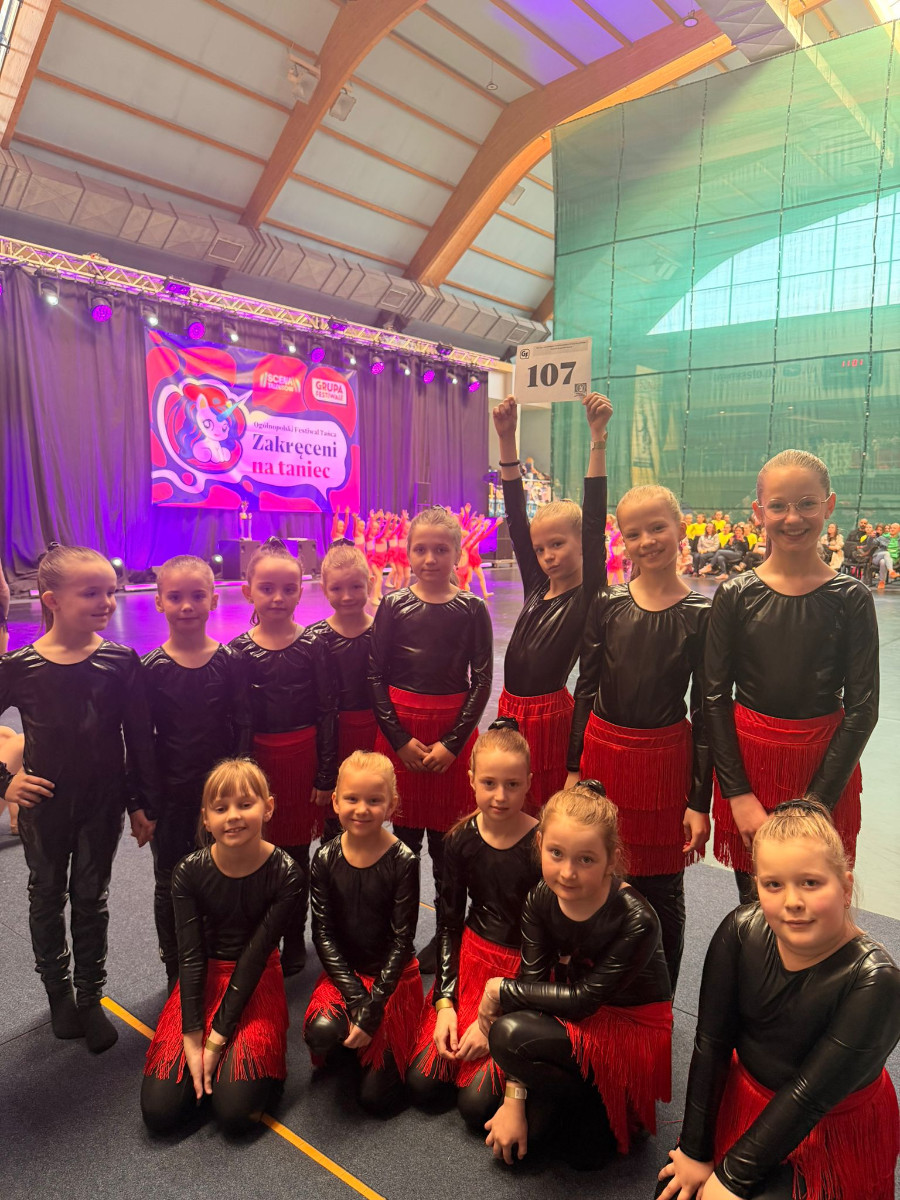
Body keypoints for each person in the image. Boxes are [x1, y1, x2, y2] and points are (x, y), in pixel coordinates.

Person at [657, 800, 900, 1200]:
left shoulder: (877, 981)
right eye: (774, 885)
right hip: (748, 1098)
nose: (792, 902)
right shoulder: (739, 931)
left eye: (811, 883)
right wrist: (694, 1151)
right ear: (756, 886)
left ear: (845, 887)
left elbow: (809, 1095)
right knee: (672, 1191)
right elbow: (711, 1044)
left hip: (825, 1126)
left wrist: (731, 1178)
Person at [0, 544, 159, 1051]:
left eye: (110, 591)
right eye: (91, 593)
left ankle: (90, 994)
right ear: (52, 600)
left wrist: (140, 802)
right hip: (44, 806)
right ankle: (58, 994)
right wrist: (4, 783)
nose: (106, 602)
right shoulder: (19, 667)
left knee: (92, 897)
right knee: (47, 894)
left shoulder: (120, 661)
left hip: (101, 805)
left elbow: (139, 738)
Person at [705, 450, 879, 904]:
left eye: (806, 504)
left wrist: (814, 804)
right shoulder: (735, 595)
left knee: (816, 904)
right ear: (759, 511)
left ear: (829, 505)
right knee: (759, 903)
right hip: (752, 768)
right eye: (779, 506)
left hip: (825, 770)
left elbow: (863, 708)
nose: (793, 517)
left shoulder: (852, 598)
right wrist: (738, 793)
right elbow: (713, 698)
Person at [476, 784, 672, 1170]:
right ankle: (561, 1093)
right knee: (475, 1107)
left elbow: (583, 1000)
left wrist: (498, 988)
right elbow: (531, 985)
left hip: (627, 1027)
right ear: (540, 845)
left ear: (611, 860)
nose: (567, 872)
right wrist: (514, 1097)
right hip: (568, 1013)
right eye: (556, 854)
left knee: (584, 1153)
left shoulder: (638, 919)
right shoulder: (540, 897)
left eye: (586, 859)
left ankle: (598, 1098)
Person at [566, 485, 711, 992]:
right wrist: (573, 767)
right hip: (604, 757)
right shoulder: (607, 603)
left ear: (680, 529)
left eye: (657, 528)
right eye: (634, 533)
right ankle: (598, 990)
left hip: (664, 766)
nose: (646, 541)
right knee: (599, 875)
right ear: (622, 541)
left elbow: (707, 711)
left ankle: (659, 996)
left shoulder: (700, 614)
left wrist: (699, 800)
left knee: (663, 887)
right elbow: (586, 686)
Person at [141, 758, 301, 1136]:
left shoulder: (286, 873)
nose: (233, 817)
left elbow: (253, 959)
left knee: (235, 1116)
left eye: (245, 804)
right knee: (160, 1113)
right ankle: (208, 1078)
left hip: (255, 980)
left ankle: (256, 1074)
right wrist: (193, 1034)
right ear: (206, 818)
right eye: (220, 808)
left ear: (268, 807)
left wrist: (215, 1042)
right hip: (205, 978)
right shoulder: (188, 872)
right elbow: (190, 958)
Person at [368, 506, 493, 974]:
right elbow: (375, 676)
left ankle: (447, 936)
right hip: (401, 731)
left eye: (441, 549)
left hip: (449, 734)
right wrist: (399, 739)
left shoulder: (472, 609)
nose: (430, 558)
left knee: (448, 848)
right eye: (420, 549)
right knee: (401, 845)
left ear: (458, 553)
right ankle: (398, 935)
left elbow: (482, 680)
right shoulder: (393, 605)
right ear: (408, 551)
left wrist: (453, 744)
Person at [406, 719, 540, 1122]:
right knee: (421, 1086)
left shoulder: (540, 846)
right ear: (471, 780)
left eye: (512, 785)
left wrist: (491, 1023)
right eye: (489, 783)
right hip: (472, 962)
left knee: (474, 1106)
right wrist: (445, 1002)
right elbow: (448, 926)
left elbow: (547, 942)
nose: (500, 796)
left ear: (529, 782)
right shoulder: (460, 839)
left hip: (521, 973)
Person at [492, 392, 611, 810]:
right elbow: (515, 517)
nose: (547, 556)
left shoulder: (590, 594)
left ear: (583, 545)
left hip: (549, 717)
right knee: (507, 804)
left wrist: (598, 439)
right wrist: (506, 440)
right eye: (540, 549)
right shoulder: (537, 585)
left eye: (557, 544)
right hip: (509, 710)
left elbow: (594, 520)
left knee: (541, 806)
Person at [229, 537, 338, 974]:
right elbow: (238, 719)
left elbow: (327, 711)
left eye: (288, 589)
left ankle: (295, 935)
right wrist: (243, 777)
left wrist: (326, 774)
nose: (278, 598)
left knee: (296, 856)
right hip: (260, 765)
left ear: (301, 591)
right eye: (267, 588)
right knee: (258, 856)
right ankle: (263, 937)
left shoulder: (313, 645)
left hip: (302, 762)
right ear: (248, 592)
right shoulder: (238, 651)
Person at [142, 555, 252, 988]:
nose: (186, 606)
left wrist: (241, 784)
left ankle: (220, 957)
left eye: (196, 596)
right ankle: (176, 965)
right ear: (159, 602)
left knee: (224, 870)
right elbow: (141, 741)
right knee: (170, 879)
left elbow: (244, 723)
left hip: (222, 793)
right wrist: (141, 802)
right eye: (175, 597)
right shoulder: (150, 669)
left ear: (214, 600)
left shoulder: (230, 661)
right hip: (171, 795)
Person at [303, 751, 422, 1115]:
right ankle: (353, 1038)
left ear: (392, 804)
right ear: (336, 801)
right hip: (348, 977)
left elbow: (402, 941)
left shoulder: (404, 860)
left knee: (375, 1100)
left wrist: (375, 1005)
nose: (361, 809)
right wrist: (357, 1000)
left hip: (391, 981)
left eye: (374, 800)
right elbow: (323, 934)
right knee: (321, 1033)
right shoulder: (325, 858)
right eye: (352, 799)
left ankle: (375, 1042)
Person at [307, 544, 377, 843]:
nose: (347, 596)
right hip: (332, 735)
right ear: (324, 589)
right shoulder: (314, 638)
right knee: (334, 815)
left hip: (374, 731)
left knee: (370, 804)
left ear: (370, 583)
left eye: (356, 587)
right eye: (337, 588)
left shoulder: (384, 633)